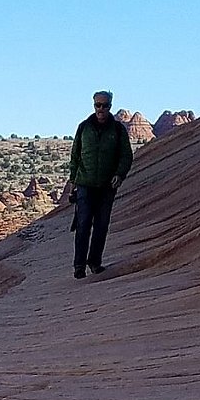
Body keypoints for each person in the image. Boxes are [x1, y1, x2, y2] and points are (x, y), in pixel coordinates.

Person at [68, 90, 133, 279]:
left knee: (102, 225)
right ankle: (79, 266)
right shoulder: (84, 127)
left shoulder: (118, 130)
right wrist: (73, 180)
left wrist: (120, 174)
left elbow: (126, 155)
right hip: (85, 184)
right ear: (93, 105)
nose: (101, 109)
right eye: (98, 105)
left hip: (106, 186)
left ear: (110, 106)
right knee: (83, 224)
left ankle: (94, 262)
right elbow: (75, 155)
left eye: (105, 105)